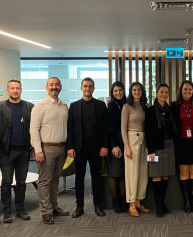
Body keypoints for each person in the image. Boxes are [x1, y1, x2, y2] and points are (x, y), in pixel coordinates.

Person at [67, 77, 109, 217]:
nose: (88, 88)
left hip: (96, 148)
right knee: (79, 177)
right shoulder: (73, 106)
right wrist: (70, 147)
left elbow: (105, 128)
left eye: (90, 86)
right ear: (81, 88)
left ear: (94, 88)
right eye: (85, 86)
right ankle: (79, 206)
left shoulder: (101, 106)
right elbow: (70, 128)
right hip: (79, 148)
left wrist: (104, 145)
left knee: (97, 177)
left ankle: (98, 205)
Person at [0, 79, 34, 223]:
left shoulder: (29, 107)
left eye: (17, 88)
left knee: (21, 182)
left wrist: (33, 147)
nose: (15, 90)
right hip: (6, 151)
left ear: (21, 90)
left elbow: (33, 129)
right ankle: (7, 212)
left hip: (24, 151)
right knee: (6, 182)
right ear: (8, 90)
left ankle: (20, 210)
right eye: (12, 88)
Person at [30, 77, 69, 225]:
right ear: (46, 87)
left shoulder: (64, 106)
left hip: (61, 148)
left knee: (55, 179)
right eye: (51, 84)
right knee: (45, 181)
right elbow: (33, 130)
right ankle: (46, 211)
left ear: (60, 87)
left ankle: (54, 206)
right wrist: (38, 150)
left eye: (57, 84)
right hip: (46, 149)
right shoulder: (40, 106)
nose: (54, 87)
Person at [146, 83, 177, 217]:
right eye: (161, 92)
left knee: (165, 175)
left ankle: (162, 203)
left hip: (169, 145)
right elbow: (148, 132)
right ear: (156, 93)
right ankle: (158, 205)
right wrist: (151, 150)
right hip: (156, 147)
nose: (164, 94)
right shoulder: (150, 110)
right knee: (156, 174)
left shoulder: (170, 109)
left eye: (166, 92)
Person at [171, 80, 193, 213]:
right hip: (181, 142)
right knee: (184, 172)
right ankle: (187, 203)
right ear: (181, 90)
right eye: (185, 89)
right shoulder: (174, 105)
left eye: (190, 89)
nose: (187, 91)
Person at [121, 82, 149, 217]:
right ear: (131, 92)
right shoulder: (127, 107)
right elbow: (122, 128)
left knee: (143, 172)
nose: (137, 92)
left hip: (143, 139)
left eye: (139, 90)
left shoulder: (144, 106)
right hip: (131, 138)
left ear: (142, 92)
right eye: (134, 90)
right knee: (132, 173)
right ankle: (131, 204)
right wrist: (126, 146)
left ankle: (138, 201)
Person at [107, 81, 128, 213]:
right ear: (112, 93)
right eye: (115, 91)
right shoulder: (111, 106)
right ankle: (115, 200)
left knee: (123, 174)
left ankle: (123, 200)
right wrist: (114, 145)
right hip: (115, 142)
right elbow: (111, 128)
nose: (118, 93)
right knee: (115, 173)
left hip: (126, 142)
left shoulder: (127, 104)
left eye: (120, 90)